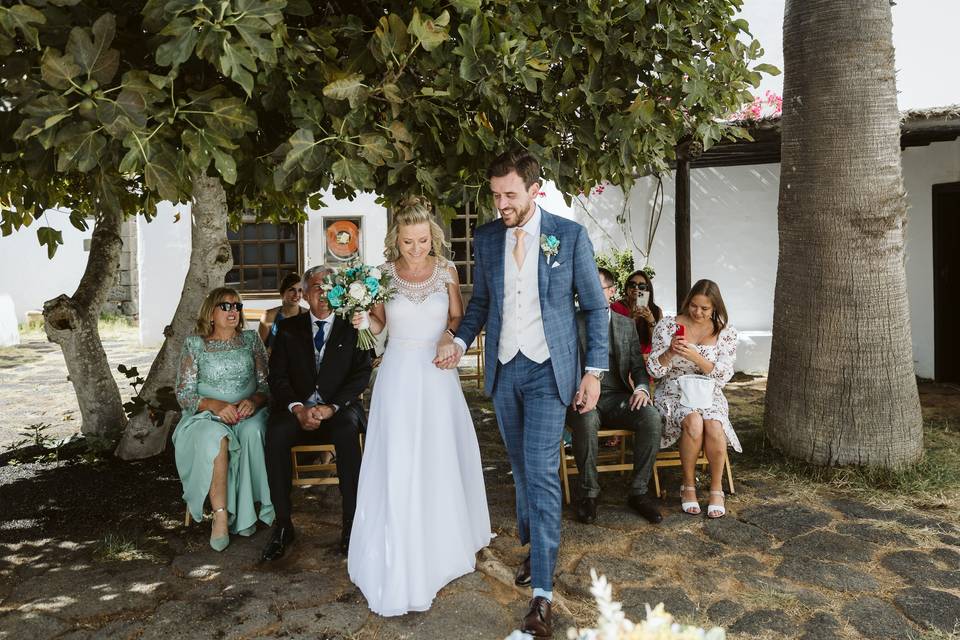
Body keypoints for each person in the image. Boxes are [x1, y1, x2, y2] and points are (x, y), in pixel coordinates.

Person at [438, 150, 609, 639]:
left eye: (509, 194)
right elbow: (483, 303)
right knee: (520, 469)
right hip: (504, 371)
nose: (501, 204)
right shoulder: (487, 238)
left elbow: (596, 309)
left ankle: (543, 597)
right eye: (495, 195)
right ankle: (537, 550)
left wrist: (593, 371)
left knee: (541, 469)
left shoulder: (568, 235)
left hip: (549, 371)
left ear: (535, 189)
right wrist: (459, 340)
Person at [346, 197, 492, 617]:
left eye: (423, 240)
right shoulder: (383, 275)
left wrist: (449, 337)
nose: (415, 248)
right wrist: (363, 321)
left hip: (436, 374)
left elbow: (457, 318)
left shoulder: (447, 270)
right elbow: (378, 325)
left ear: (433, 236)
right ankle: (399, 539)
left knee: (437, 453)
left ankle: (442, 538)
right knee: (399, 455)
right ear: (397, 239)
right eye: (408, 241)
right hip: (397, 374)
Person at [260, 266, 371, 561]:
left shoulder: (354, 327)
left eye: (331, 286)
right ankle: (283, 525)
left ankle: (351, 525)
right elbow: (277, 377)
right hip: (298, 411)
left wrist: (330, 407)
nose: (324, 293)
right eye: (318, 287)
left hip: (339, 410)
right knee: (275, 433)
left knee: (348, 432)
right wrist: (297, 408)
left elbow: (361, 375)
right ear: (306, 294)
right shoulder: (287, 329)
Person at [172, 287, 274, 551]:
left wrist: (253, 402)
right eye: (225, 306)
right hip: (205, 415)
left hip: (248, 412)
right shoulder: (195, 344)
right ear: (211, 313)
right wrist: (215, 405)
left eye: (236, 306)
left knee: (253, 432)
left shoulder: (252, 340)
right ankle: (220, 515)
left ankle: (255, 506)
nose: (233, 311)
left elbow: (266, 386)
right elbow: (184, 394)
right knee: (215, 437)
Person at [567, 268, 663, 525]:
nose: (586, 293)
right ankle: (588, 493)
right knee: (586, 420)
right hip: (583, 397)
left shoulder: (625, 325)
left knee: (651, 417)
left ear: (611, 292)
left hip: (618, 397)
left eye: (595, 288)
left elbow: (637, 368)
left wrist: (642, 389)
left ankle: (639, 492)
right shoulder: (572, 322)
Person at [646, 279, 740, 519]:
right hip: (674, 390)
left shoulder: (725, 333)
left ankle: (716, 488)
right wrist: (669, 353)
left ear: (715, 308)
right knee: (694, 421)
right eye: (694, 306)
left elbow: (723, 377)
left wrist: (696, 357)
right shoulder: (668, 326)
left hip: (708, 391)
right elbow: (654, 372)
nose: (698, 312)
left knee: (714, 424)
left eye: (705, 308)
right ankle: (688, 486)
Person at [610, 269, 662, 355]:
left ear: (647, 289)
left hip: (648, 358)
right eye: (632, 285)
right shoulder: (616, 308)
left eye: (641, 286)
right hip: (624, 358)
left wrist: (651, 321)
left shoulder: (656, 311)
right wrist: (631, 319)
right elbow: (616, 340)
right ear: (626, 288)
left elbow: (659, 343)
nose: (636, 288)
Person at [258, 273, 305, 350]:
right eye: (291, 290)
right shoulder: (269, 315)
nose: (297, 294)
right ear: (282, 293)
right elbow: (259, 350)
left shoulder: (307, 314)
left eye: (300, 290)